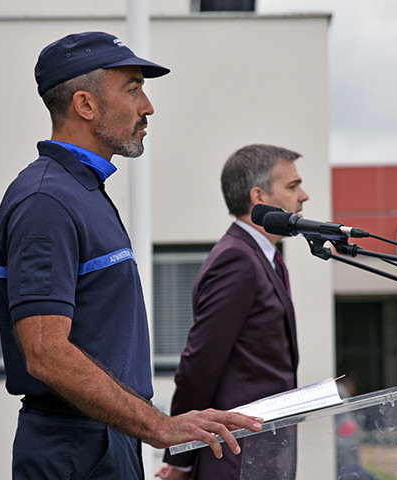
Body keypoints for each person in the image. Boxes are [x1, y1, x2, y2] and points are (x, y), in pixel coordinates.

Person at [0, 31, 263, 480]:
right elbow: (45, 352)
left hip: (103, 439)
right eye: (133, 88)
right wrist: (158, 425)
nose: (147, 106)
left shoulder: (80, 191)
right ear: (85, 105)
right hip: (75, 447)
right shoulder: (47, 201)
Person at [157, 144, 310, 479]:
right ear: (259, 196)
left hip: (263, 455)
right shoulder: (237, 260)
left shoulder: (264, 257)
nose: (304, 196)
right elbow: (199, 365)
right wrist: (181, 457)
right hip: (234, 460)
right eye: (292, 186)